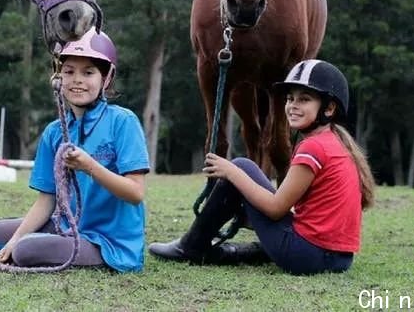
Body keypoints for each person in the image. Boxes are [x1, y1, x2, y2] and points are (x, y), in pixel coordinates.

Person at [149, 59, 376, 275]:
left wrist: (232, 173)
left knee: (241, 166)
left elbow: (276, 208)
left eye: (304, 99)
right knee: (244, 173)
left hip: (309, 256)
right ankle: (230, 249)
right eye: (290, 99)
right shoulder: (334, 141)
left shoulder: (313, 148)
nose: (293, 106)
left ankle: (190, 247)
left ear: (328, 109)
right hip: (339, 259)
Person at [0, 27, 150, 273]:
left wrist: (89, 166)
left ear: (106, 77)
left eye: (88, 72)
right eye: (69, 71)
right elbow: (47, 201)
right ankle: (44, 243)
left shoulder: (123, 121)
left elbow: (136, 193)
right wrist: (14, 239)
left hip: (109, 241)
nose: (77, 79)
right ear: (58, 77)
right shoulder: (54, 132)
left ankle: (62, 249)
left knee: (26, 251)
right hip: (68, 225)